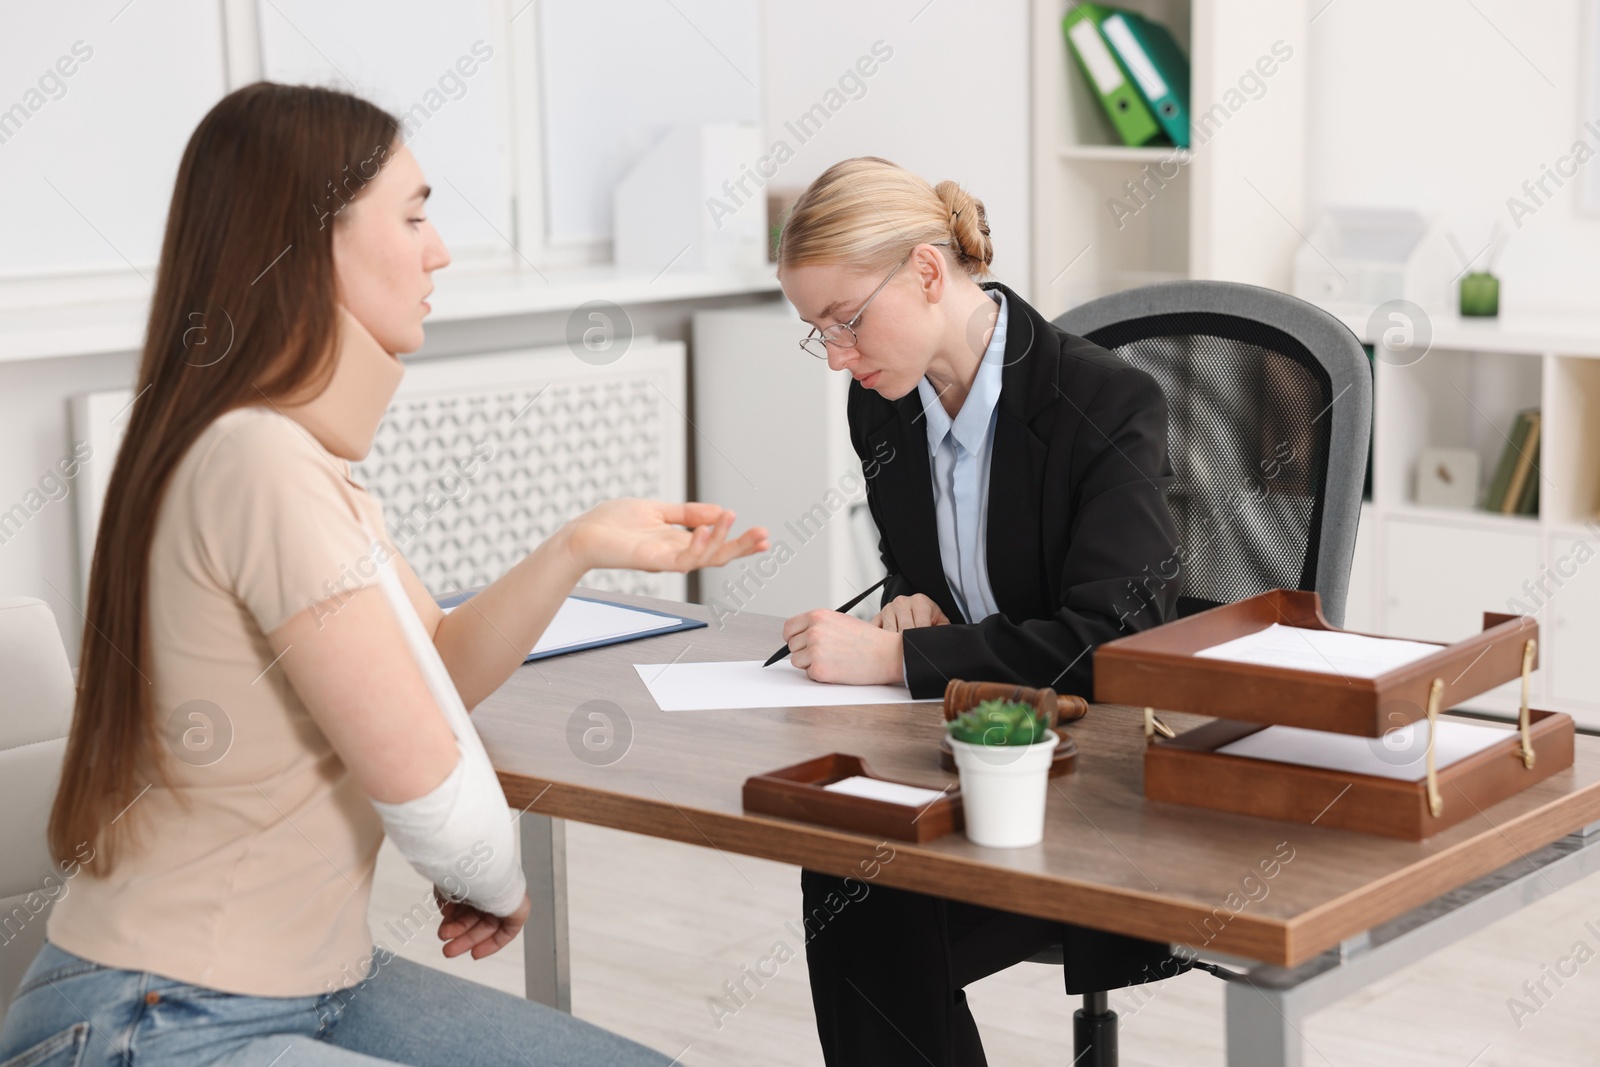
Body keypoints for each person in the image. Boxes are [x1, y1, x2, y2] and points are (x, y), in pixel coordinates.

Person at [0, 83, 766, 1067]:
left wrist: (579, 544)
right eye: (411, 216)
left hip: (298, 985)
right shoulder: (256, 462)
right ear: (310, 241)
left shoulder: (296, 460)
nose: (437, 249)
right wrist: (488, 874)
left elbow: (435, 661)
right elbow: (429, 782)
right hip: (153, 1015)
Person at [774, 157, 1183, 1066]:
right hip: (973, 755)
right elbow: (933, 586)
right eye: (819, 334)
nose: (838, 354)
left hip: (1103, 782)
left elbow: (1108, 643)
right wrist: (907, 612)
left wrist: (892, 661)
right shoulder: (883, 406)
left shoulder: (1107, 402)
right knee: (846, 866)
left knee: (870, 907)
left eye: (845, 321)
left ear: (927, 271)